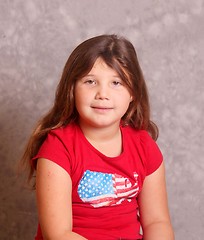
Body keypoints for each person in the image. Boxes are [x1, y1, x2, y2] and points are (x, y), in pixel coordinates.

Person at [21, 34, 174, 240]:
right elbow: (58, 234)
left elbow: (157, 221)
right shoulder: (58, 149)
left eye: (116, 83)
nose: (103, 93)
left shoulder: (143, 145)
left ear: (133, 93)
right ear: (72, 90)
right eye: (90, 81)